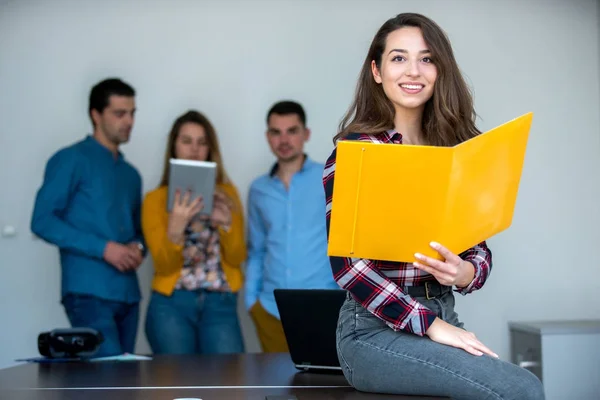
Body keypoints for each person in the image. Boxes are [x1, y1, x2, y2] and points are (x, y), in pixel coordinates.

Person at [322, 13, 545, 400]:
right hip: (372, 332)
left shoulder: (458, 152)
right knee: (520, 389)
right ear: (376, 70)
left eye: (426, 59)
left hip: (443, 312)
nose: (414, 71)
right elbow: (348, 267)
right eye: (398, 58)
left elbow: (478, 248)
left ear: (441, 69)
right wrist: (430, 325)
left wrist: (463, 272)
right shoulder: (357, 153)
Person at [31, 78, 145, 357]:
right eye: (120, 113)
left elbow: (140, 233)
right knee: (108, 380)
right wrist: (104, 248)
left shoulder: (131, 174)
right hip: (88, 291)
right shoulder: (70, 159)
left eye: (132, 113)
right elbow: (42, 221)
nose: (129, 121)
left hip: (129, 293)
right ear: (96, 114)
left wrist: (138, 248)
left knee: (126, 380)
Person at [142, 110, 246, 354]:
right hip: (171, 304)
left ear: (210, 148)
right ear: (174, 146)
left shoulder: (228, 194)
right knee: (176, 385)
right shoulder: (154, 200)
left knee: (229, 385)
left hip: (220, 303)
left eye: (202, 142)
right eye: (186, 141)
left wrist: (227, 225)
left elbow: (237, 257)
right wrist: (176, 228)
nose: (194, 149)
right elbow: (163, 265)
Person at [245, 101, 338, 353]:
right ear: (268, 137)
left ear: (305, 134)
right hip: (270, 308)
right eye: (276, 132)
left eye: (292, 130)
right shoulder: (258, 189)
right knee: (275, 386)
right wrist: (250, 300)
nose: (284, 139)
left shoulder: (330, 177)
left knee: (324, 387)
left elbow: (347, 239)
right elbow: (256, 248)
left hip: (324, 304)